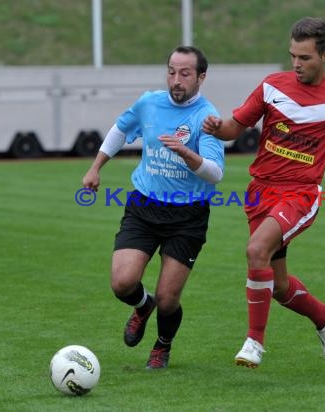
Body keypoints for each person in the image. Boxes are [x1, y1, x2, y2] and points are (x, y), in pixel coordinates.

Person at [202, 16, 325, 368]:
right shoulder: (272, 86)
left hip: (300, 195)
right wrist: (217, 129)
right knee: (276, 286)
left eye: (305, 58)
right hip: (259, 193)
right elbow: (234, 128)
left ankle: (254, 344)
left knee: (256, 249)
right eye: (293, 55)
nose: (296, 64)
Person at [82, 46, 225, 369]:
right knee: (122, 283)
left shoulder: (207, 118)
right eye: (172, 71)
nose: (176, 80)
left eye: (185, 73)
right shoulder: (149, 103)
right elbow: (120, 129)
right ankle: (141, 306)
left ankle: (162, 345)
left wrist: (188, 155)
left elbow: (215, 173)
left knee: (168, 298)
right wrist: (96, 167)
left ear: (201, 77)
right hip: (144, 206)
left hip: (187, 215)